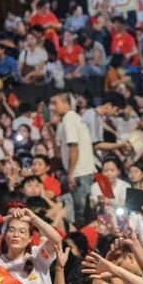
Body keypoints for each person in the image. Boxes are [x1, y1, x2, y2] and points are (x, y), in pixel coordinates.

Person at [49, 92, 95, 224]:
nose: (52, 107)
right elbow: (60, 151)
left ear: (66, 104)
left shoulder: (69, 120)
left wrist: (70, 173)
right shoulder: (72, 119)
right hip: (82, 172)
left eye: (55, 103)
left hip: (78, 173)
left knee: (80, 215)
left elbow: (74, 147)